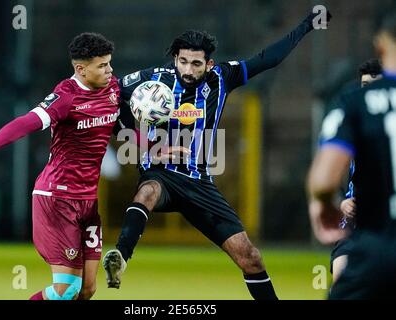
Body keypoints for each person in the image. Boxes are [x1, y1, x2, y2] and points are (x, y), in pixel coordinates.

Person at [103, 10, 331, 300]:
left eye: (196, 64)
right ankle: (120, 258)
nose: (188, 70)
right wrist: (142, 144)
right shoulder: (152, 80)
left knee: (250, 257)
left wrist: (306, 26)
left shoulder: (222, 78)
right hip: (161, 173)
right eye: (183, 61)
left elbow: (268, 58)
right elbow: (110, 95)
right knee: (147, 191)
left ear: (208, 64)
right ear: (175, 59)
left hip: (200, 183)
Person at [0, 33, 121, 300]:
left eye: (109, 63)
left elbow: (123, 125)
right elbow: (27, 122)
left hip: (87, 201)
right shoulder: (65, 96)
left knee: (87, 289)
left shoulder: (113, 89)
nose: (110, 70)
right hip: (57, 199)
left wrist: (157, 148)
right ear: (80, 68)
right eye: (102, 65)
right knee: (66, 289)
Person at [307, 13, 396, 299]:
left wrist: (325, 206)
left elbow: (322, 181)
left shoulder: (354, 105)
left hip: (374, 241)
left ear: (381, 45)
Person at [330, 59, 382, 284]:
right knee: (341, 275)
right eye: (364, 85)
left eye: (374, 85)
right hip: (354, 223)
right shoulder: (352, 125)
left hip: (385, 222)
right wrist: (341, 202)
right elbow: (328, 177)